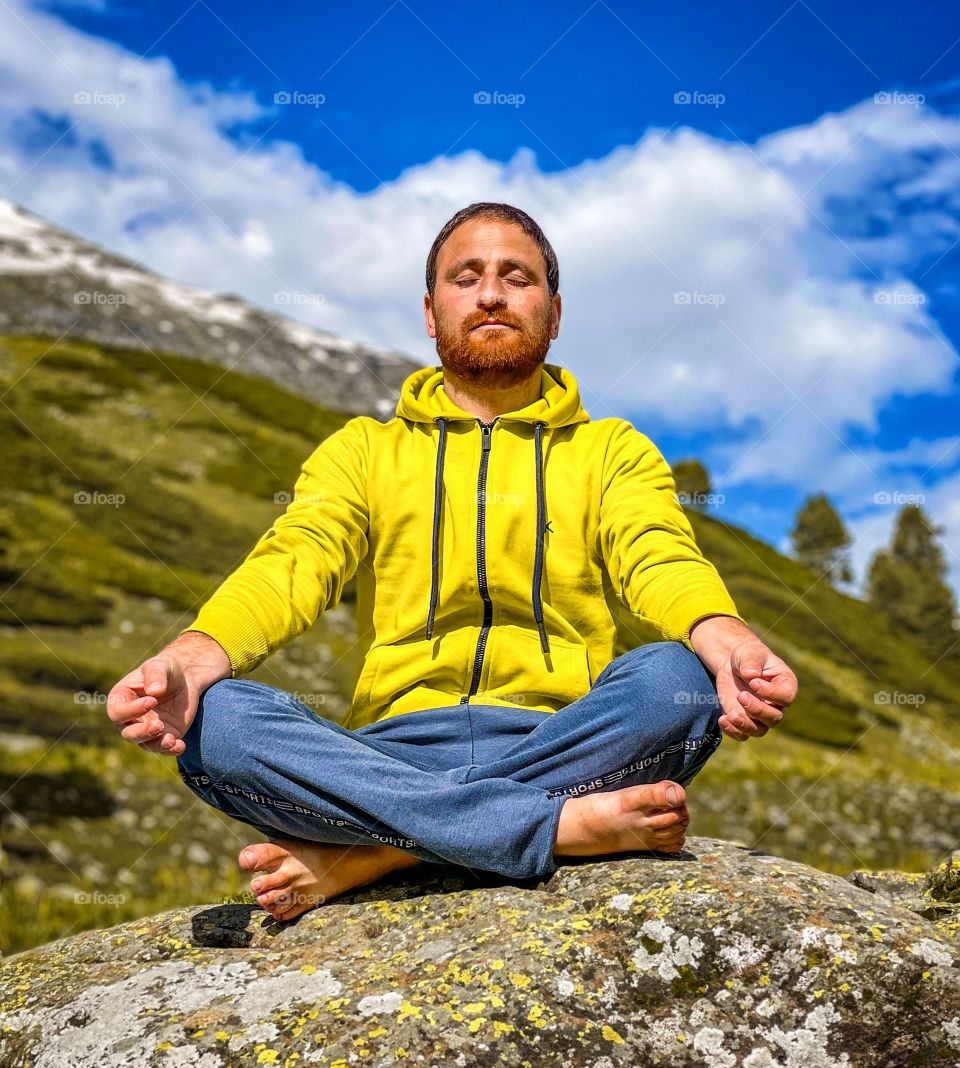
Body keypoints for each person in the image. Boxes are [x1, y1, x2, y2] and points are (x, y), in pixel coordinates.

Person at [106, 201, 798, 922]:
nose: (492, 293)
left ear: (554, 314)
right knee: (216, 721)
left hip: (563, 741)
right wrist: (190, 658)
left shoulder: (613, 450)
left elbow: (655, 552)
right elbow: (296, 559)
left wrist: (726, 636)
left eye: (517, 277)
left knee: (678, 680)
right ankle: (551, 828)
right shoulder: (363, 451)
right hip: (393, 758)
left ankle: (381, 849)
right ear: (432, 313)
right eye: (466, 277)